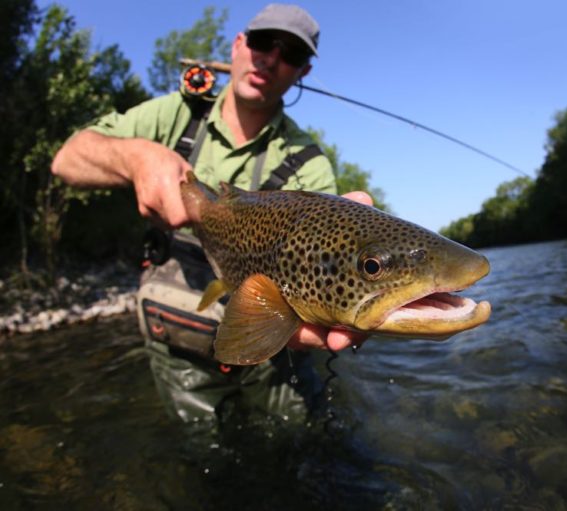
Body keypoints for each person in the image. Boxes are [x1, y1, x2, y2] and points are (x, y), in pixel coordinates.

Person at [52, 4, 368, 427]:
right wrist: (134, 156)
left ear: (303, 73)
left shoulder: (307, 162)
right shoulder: (176, 116)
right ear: (239, 44)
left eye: (290, 54)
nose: (271, 59)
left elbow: (327, 267)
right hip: (178, 328)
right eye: (262, 43)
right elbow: (66, 160)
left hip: (274, 342)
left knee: (296, 442)